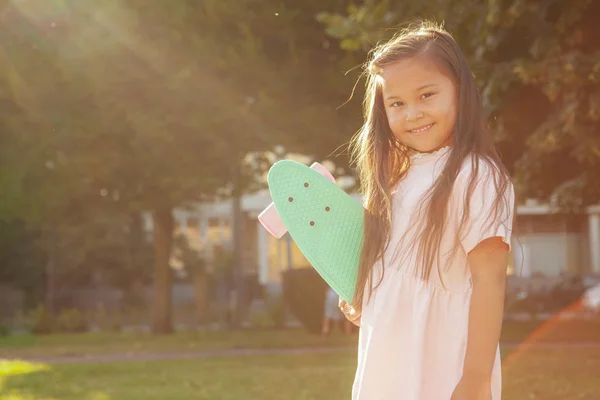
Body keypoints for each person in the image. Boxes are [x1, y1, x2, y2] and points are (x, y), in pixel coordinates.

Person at [337, 21, 516, 400]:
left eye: (426, 95)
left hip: (441, 359)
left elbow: (489, 281)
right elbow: (396, 268)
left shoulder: (474, 174)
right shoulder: (398, 179)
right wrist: (367, 295)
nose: (412, 113)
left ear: (461, 93)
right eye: (397, 103)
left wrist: (475, 379)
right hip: (389, 359)